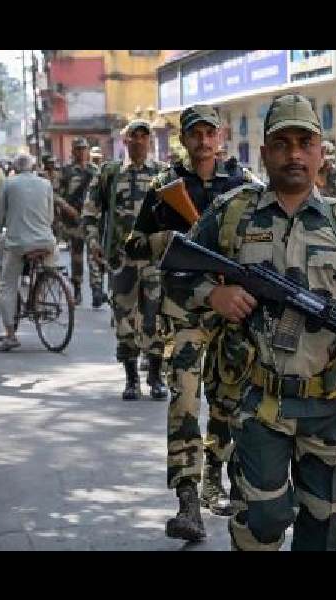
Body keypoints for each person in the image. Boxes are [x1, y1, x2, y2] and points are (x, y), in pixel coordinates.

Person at [166, 94, 336, 550]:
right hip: (257, 399)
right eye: (282, 144)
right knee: (263, 520)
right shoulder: (233, 213)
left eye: (305, 142)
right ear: (264, 153)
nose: (295, 154)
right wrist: (216, 294)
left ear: (323, 151)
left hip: (327, 403)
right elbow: (176, 273)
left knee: (323, 529)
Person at [128, 104, 259, 535]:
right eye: (194, 134)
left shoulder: (243, 187)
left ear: (220, 136)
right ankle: (187, 499)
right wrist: (169, 239)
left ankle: (212, 477)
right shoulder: (165, 187)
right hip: (185, 311)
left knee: (227, 400)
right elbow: (133, 247)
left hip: (233, 314)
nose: (203, 142)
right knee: (184, 399)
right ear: (183, 139)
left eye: (209, 133)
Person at [83, 119, 169, 401]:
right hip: (122, 261)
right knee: (124, 320)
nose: (140, 142)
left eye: (145, 137)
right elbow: (91, 211)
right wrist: (94, 241)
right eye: (135, 137)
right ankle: (131, 379)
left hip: (155, 261)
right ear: (126, 141)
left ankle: (155, 377)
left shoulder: (162, 173)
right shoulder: (110, 173)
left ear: (150, 142)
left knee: (155, 317)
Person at [0, 153, 58, 351]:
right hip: (46, 241)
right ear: (34, 167)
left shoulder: (8, 184)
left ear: (15, 168)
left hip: (18, 243)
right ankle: (41, 292)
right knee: (49, 269)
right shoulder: (45, 184)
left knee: (7, 286)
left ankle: (10, 336)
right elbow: (50, 216)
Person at [56, 138, 100, 306]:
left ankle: (96, 289)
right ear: (73, 152)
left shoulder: (95, 170)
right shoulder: (66, 172)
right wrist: (69, 209)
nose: (82, 152)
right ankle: (77, 288)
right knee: (77, 256)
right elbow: (56, 195)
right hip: (74, 220)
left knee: (94, 253)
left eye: (84, 149)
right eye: (78, 149)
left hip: (92, 219)